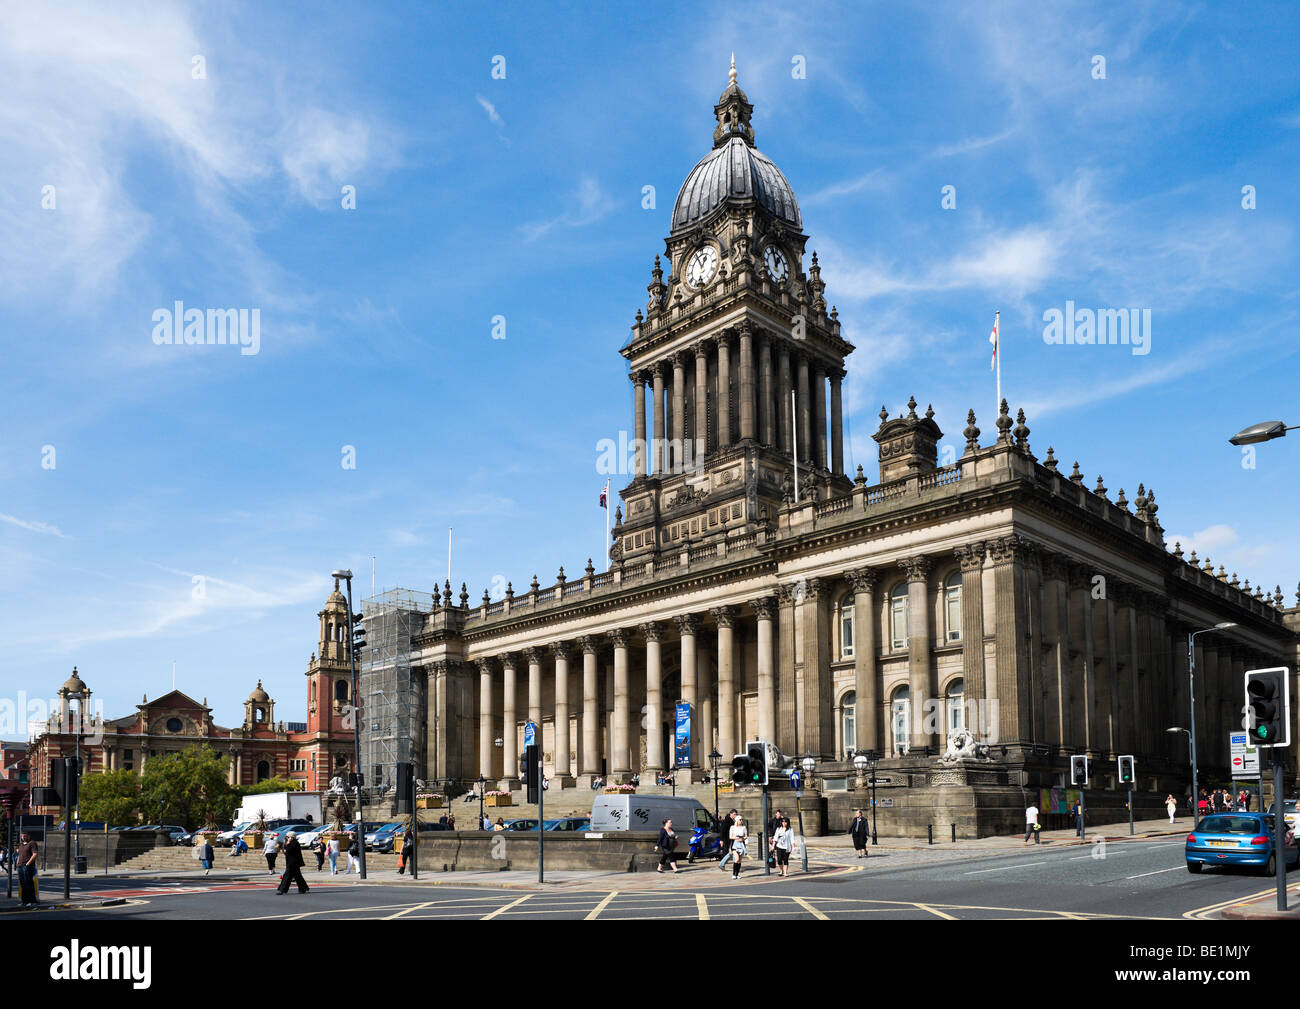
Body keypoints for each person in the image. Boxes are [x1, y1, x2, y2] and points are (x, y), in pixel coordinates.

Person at [16, 831, 39, 908]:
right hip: (20, 866)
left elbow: (35, 854)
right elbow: (19, 854)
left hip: (27, 866)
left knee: (28, 883)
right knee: (22, 884)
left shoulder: (32, 843)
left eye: (25, 836)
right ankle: (24, 901)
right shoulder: (21, 844)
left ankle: (32, 901)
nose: (23, 837)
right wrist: (17, 862)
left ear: (28, 836)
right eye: (22, 836)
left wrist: (28, 863)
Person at [728, 815, 748, 879]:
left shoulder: (744, 827)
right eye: (740, 820)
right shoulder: (732, 827)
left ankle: (737, 874)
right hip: (734, 844)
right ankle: (734, 874)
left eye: (742, 819)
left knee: (739, 860)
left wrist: (742, 839)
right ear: (737, 820)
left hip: (741, 844)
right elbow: (730, 837)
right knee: (736, 859)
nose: (741, 821)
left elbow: (746, 836)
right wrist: (736, 838)